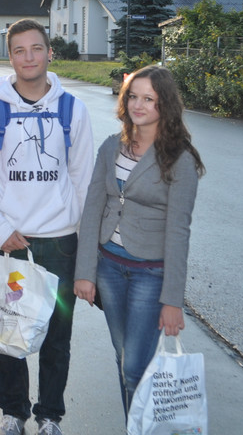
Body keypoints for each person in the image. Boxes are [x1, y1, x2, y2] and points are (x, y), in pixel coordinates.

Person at [0, 19, 94, 435]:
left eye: (36, 48)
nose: (29, 57)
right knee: (8, 329)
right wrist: (0, 230)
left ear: (49, 52)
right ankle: (13, 413)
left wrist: (75, 229)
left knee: (57, 334)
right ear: (10, 56)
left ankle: (50, 415)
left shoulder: (73, 109)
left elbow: (83, 178)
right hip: (7, 240)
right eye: (19, 50)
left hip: (59, 241)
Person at [73, 65, 205, 418]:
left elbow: (179, 231)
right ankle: (137, 425)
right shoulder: (111, 147)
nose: (138, 105)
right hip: (109, 268)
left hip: (150, 273)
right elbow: (92, 209)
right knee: (124, 358)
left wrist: (172, 300)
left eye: (149, 99)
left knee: (134, 367)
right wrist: (85, 271)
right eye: (133, 96)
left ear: (166, 105)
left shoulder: (180, 159)